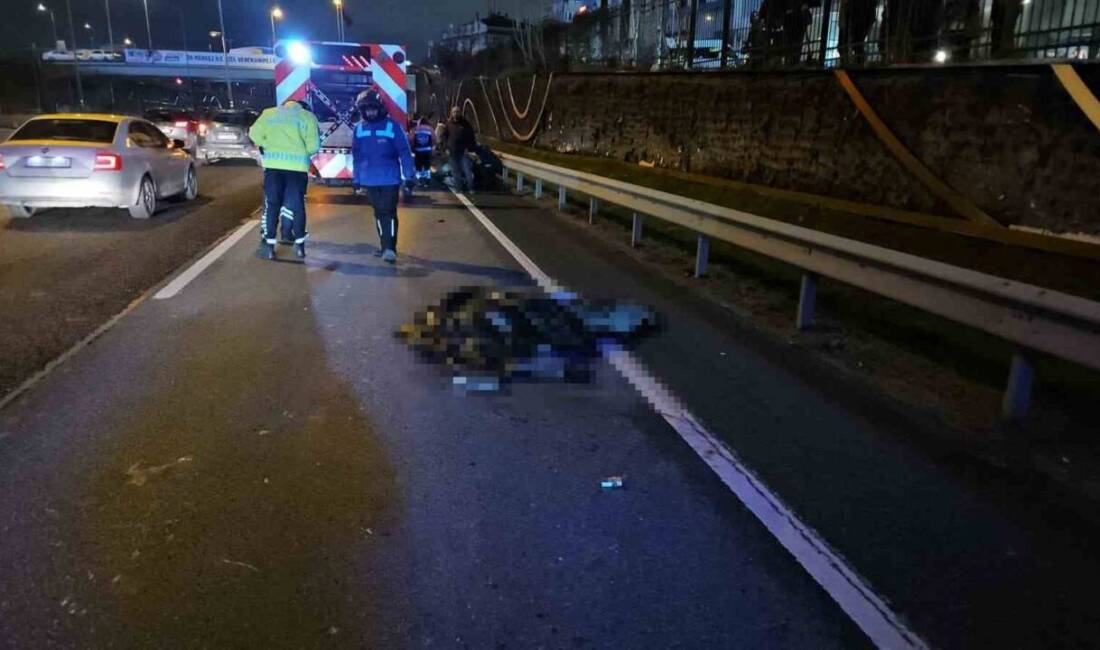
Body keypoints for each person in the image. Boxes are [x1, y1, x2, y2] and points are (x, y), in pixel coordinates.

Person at [249, 98, 320, 259]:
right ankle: (300, 245)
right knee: (297, 206)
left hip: (273, 167)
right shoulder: (307, 117)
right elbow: (313, 147)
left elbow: (254, 134)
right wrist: (301, 151)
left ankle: (269, 247)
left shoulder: (269, 113)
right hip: (297, 169)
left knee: (272, 205)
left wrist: (268, 143)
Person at [351, 89, 416, 264]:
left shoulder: (392, 126)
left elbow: (404, 152)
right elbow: (356, 156)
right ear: (361, 111)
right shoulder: (358, 129)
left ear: (380, 108)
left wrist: (409, 176)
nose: (370, 112)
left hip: (390, 179)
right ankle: (384, 246)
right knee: (379, 213)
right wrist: (356, 180)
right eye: (366, 109)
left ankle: (390, 248)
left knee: (388, 212)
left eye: (373, 108)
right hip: (369, 180)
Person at [441, 106, 476, 194]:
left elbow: (471, 137)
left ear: (460, 113)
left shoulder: (465, 124)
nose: (456, 113)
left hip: (464, 152)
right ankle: (458, 188)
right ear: (452, 113)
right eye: (454, 112)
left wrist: (469, 148)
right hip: (452, 152)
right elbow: (444, 136)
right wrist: (446, 148)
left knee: (467, 170)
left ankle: (471, 188)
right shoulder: (448, 124)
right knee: (455, 171)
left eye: (457, 112)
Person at [410, 117, 435, 185]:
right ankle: (427, 181)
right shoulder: (430, 129)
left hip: (418, 151)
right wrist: (433, 148)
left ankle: (419, 180)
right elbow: (434, 139)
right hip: (427, 151)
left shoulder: (415, 129)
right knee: (427, 166)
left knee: (418, 166)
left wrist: (412, 149)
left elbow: (411, 140)